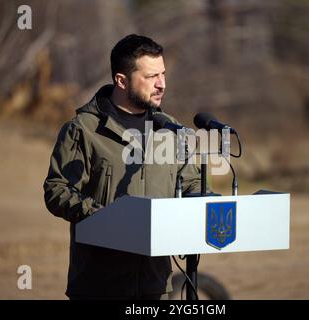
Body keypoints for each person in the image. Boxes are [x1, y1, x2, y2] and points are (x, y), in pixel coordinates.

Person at [43, 34, 203, 300]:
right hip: (99, 287)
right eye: (151, 77)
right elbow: (57, 190)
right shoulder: (84, 130)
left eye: (163, 74)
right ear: (121, 80)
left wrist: (203, 203)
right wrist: (106, 218)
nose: (162, 84)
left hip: (155, 287)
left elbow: (190, 184)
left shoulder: (171, 130)